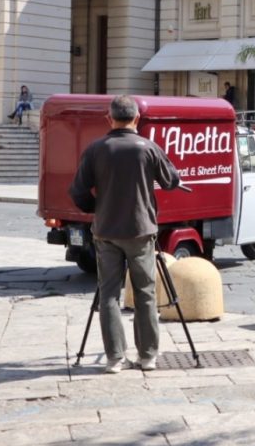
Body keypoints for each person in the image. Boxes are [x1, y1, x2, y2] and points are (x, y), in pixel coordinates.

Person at [69, 95, 183, 374]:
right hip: (140, 231)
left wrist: (98, 208)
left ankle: (114, 358)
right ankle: (148, 357)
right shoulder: (147, 148)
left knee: (108, 294)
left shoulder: (96, 149)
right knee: (145, 293)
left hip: (106, 231)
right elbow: (171, 181)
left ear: (109, 119)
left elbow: (78, 192)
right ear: (137, 118)